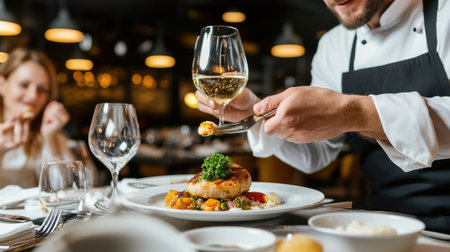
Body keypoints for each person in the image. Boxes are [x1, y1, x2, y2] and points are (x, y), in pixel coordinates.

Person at [196, 0, 450, 233]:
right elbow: (317, 154)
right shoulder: (333, 45)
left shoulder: (444, 13)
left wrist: (356, 112)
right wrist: (255, 113)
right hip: (382, 224)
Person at [0, 47, 97, 188]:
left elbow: (68, 189)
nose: (33, 96)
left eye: (42, 89)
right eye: (24, 85)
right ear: (2, 85)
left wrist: (50, 138)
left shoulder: (53, 135)